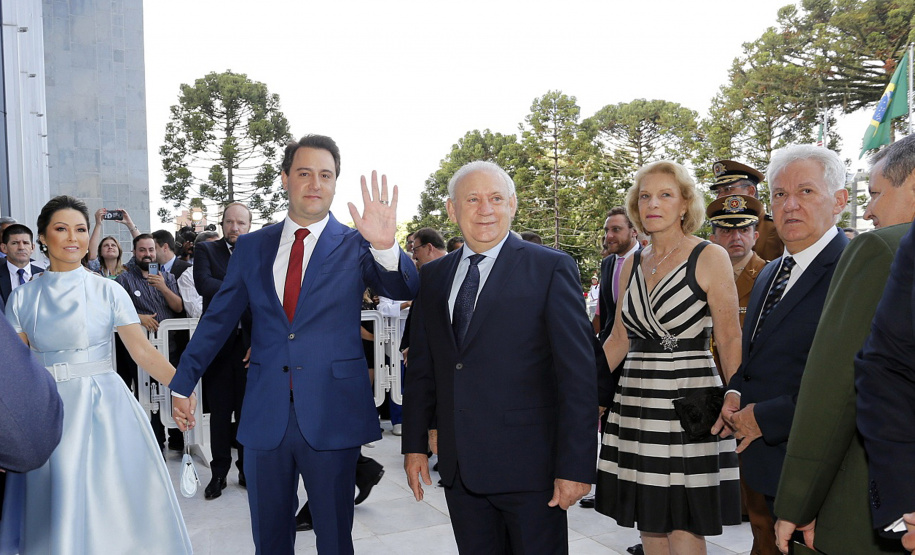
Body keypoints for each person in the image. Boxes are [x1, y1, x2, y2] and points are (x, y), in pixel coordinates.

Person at [170, 134, 419, 554]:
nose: (315, 183)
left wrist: (386, 246)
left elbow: (403, 285)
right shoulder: (252, 246)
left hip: (332, 411)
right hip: (266, 411)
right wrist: (183, 381)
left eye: (326, 175)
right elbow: (218, 319)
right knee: (269, 537)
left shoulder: (358, 243)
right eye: (304, 173)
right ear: (286, 178)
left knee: (335, 536)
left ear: (335, 183)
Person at [402, 161, 596, 554]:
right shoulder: (434, 278)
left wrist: (575, 467)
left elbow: (577, 376)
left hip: (532, 471)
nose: (485, 209)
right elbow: (425, 369)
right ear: (452, 210)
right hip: (461, 471)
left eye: (495, 198)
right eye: (472, 199)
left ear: (512, 204)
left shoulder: (550, 268)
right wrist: (415, 444)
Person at [0, 195, 192, 554]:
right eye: (61, 229)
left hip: (105, 408)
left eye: (80, 229)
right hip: (47, 411)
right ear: (43, 237)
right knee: (56, 499)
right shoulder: (22, 299)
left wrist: (182, 386)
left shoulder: (109, 290)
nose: (73, 237)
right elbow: (15, 371)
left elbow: (141, 351)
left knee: (111, 503)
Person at [773, 137, 915, 554]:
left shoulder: (883, 249)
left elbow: (834, 392)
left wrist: (799, 501)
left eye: (874, 194)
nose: (868, 210)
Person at [596, 160, 743, 555]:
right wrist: (581, 387)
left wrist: (737, 397)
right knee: (651, 520)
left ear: (684, 205)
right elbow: (618, 339)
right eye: (644, 196)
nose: (652, 204)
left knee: (684, 520)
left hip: (689, 399)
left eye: (665, 195)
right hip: (636, 401)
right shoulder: (630, 263)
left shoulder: (709, 256)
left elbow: (729, 338)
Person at [714, 145, 849, 549]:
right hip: (766, 466)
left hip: (820, 470)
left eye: (805, 192)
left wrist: (767, 418)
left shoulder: (853, 270)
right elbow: (755, 356)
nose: (789, 205)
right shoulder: (772, 270)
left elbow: (852, 382)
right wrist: (736, 391)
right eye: (778, 194)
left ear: (839, 201)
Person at [705, 194, 773, 554]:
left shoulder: (770, 276)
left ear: (756, 233)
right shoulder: (699, 273)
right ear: (713, 234)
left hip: (749, 400)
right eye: (726, 230)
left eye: (744, 229)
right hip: (706, 394)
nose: (736, 237)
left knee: (758, 499)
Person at [190, 202, 254, 500]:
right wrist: (242, 287)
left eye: (241, 223)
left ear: (249, 226)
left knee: (246, 413)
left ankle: (245, 469)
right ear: (222, 223)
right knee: (218, 413)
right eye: (230, 222)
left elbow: (264, 298)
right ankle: (218, 474)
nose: (235, 228)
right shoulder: (207, 251)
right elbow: (204, 285)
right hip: (217, 346)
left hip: (248, 347)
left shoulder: (258, 254)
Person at [710, 160, 783, 261]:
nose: (719, 196)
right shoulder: (719, 226)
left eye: (727, 189)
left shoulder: (775, 229)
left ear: (750, 191)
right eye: (718, 191)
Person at [0, 224, 43, 306]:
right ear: (4, 248)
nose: (21, 247)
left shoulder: (44, 275)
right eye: (15, 243)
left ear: (32, 248)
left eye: (26, 243)